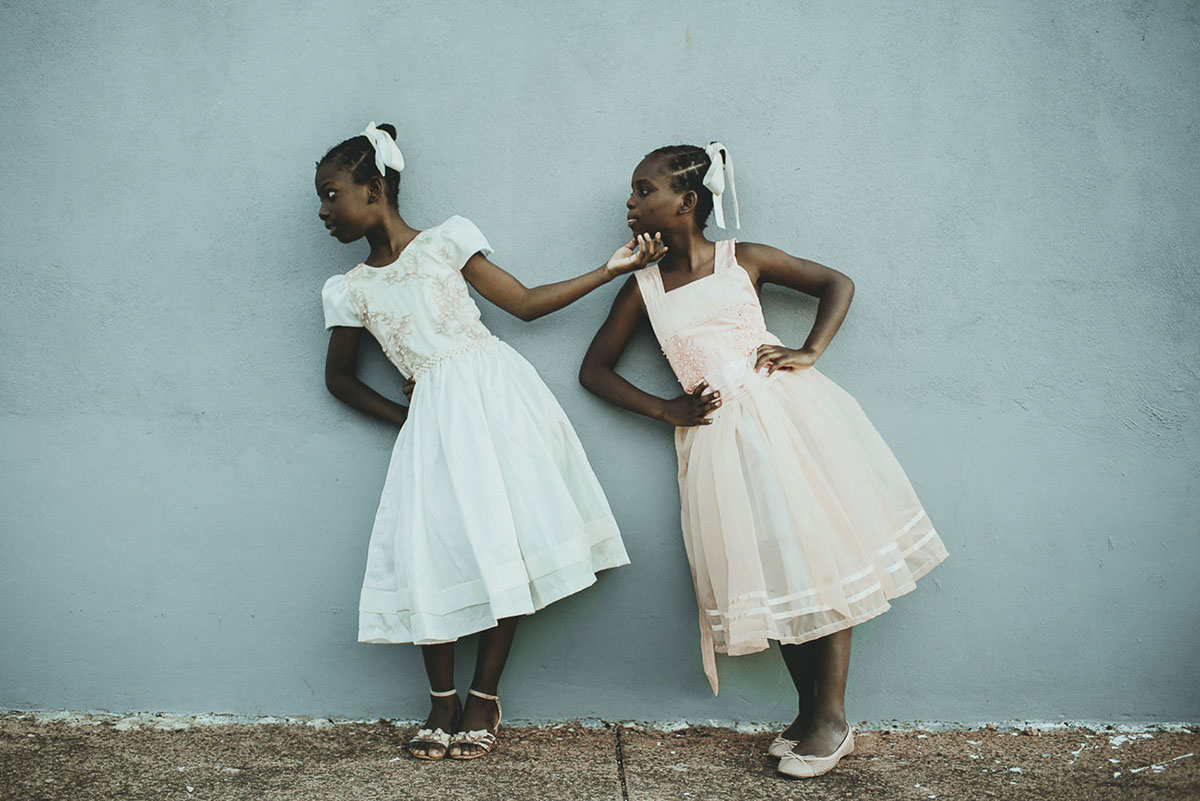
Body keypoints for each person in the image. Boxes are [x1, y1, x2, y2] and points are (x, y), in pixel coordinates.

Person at [579, 142, 948, 778]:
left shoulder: (742, 259)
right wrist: (666, 409)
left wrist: (809, 349)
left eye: (644, 190)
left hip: (788, 419)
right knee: (769, 564)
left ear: (686, 202)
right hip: (719, 440)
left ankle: (832, 718)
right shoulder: (643, 289)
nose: (631, 201)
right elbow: (594, 371)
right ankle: (807, 713)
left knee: (818, 550)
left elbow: (837, 283)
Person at [316, 122, 664, 760]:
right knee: (433, 549)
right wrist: (407, 417)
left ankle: (483, 696)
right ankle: (440, 700)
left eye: (331, 194)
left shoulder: (446, 240)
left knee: (507, 538)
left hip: (498, 400)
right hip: (433, 420)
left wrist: (609, 269)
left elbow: (524, 303)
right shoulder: (349, 289)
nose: (322, 210)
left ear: (374, 189)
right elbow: (339, 378)